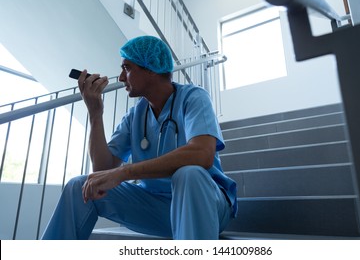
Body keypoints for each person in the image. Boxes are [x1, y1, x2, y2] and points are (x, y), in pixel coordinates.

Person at [41, 35, 237, 240]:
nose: (121, 77)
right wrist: (95, 113)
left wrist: (125, 172)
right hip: (158, 210)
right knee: (79, 185)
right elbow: (102, 170)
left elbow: (202, 154)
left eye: (127, 68)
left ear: (151, 69)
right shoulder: (136, 115)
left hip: (205, 207)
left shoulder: (194, 97)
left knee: (189, 174)